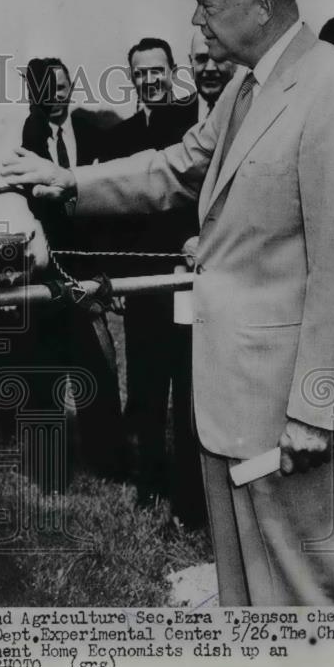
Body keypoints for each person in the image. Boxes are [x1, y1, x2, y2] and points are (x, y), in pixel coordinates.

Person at [1, 0, 334, 605]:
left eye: (209, 2)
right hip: (227, 403)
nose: (198, 20)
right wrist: (70, 181)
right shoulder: (246, 90)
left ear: (263, 3)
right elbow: (179, 165)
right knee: (246, 599)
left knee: (312, 600)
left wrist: (317, 406)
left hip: (289, 412)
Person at [8, 57, 128, 490]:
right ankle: (48, 472)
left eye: (61, 86)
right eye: (45, 89)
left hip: (85, 272)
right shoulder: (26, 137)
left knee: (97, 365)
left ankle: (109, 463)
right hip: (42, 274)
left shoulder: (94, 130)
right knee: (42, 373)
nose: (55, 96)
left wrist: (106, 272)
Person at [100, 38, 199, 515]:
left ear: (172, 72)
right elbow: (114, 216)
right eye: (140, 73)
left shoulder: (193, 128)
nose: (149, 80)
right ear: (132, 78)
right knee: (145, 386)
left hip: (184, 278)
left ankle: (187, 493)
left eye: (157, 71)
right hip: (140, 284)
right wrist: (116, 280)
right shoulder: (118, 137)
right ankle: (149, 485)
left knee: (187, 383)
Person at [189, 29, 237, 120]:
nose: (210, 68)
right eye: (202, 59)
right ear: (191, 62)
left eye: (219, 58)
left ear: (236, 62)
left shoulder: (251, 112)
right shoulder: (165, 115)